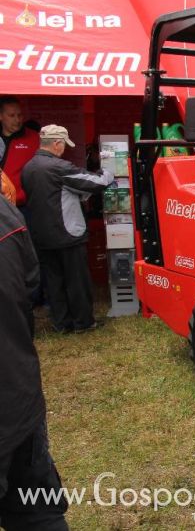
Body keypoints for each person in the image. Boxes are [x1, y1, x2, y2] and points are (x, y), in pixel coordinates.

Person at [0, 196, 69, 529]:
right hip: (19, 394)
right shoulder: (4, 211)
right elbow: (29, 281)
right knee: (37, 513)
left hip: (18, 398)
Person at [22, 125, 113, 333]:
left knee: (53, 282)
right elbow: (96, 182)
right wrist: (108, 171)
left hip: (41, 235)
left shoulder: (28, 167)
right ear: (56, 144)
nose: (64, 149)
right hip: (67, 234)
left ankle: (61, 323)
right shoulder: (59, 167)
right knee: (77, 280)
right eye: (64, 144)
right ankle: (83, 322)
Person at [0, 96, 39, 208]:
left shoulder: (34, 138)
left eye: (20, 115)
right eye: (12, 116)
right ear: (1, 116)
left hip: (24, 205)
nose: (17, 120)